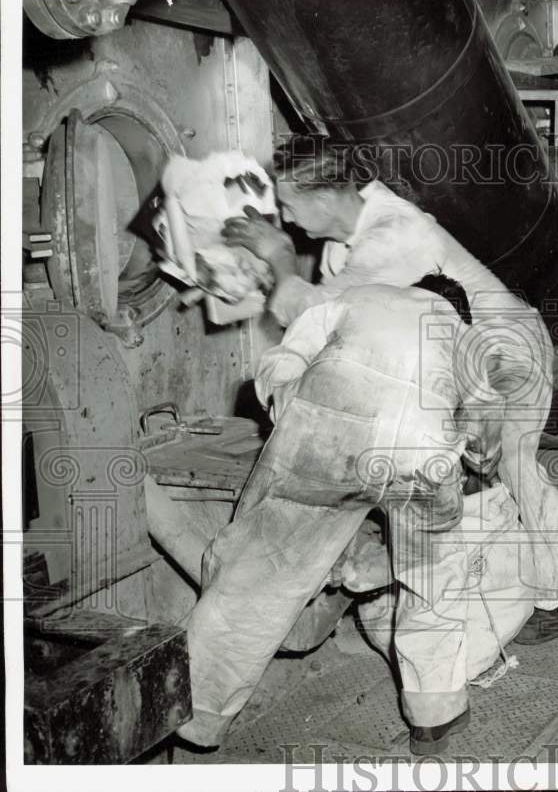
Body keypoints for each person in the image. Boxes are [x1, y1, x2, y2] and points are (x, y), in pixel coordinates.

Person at [222, 144, 558, 644]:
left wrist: (280, 259)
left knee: (514, 470)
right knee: (468, 478)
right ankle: (477, 583)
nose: (284, 216)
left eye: (289, 204)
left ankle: (556, 593)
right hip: (450, 356)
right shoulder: (346, 237)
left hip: (504, 353)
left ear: (326, 197)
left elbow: (322, 313)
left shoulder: (394, 236)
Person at [178, 274, 506, 752]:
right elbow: (483, 426)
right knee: (430, 573)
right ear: (457, 308)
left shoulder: (356, 297)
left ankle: (198, 714)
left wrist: (290, 404)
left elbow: (280, 361)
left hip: (326, 428)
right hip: (419, 450)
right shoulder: (462, 334)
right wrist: (481, 460)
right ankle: (434, 716)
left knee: (261, 571)